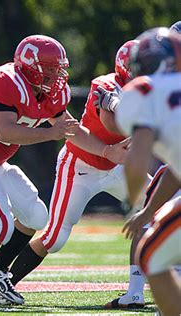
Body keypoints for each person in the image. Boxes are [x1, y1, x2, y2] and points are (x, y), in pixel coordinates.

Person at [0, 35, 128, 309]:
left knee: (36, 215)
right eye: (49, 68)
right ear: (28, 65)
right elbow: (5, 131)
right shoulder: (5, 80)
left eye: (58, 68)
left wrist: (107, 152)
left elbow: (71, 129)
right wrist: (51, 133)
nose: (56, 75)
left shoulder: (53, 91)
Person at [0, 39, 145, 306]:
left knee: (162, 210)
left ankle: (136, 291)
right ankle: (3, 281)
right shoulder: (105, 83)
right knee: (54, 238)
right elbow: (111, 121)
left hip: (118, 166)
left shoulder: (149, 90)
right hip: (81, 167)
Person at [115, 27, 181, 316]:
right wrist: (150, 209)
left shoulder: (144, 92)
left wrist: (132, 199)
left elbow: (137, 158)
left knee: (151, 254)